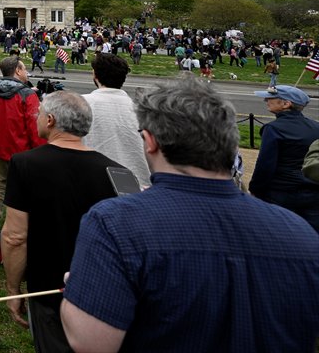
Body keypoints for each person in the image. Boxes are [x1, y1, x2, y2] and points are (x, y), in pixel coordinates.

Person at [60, 78, 319, 352]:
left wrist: (78, 292)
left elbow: (91, 342)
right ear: (230, 142)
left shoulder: (115, 223)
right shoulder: (301, 233)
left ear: (150, 141)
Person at [2, 92, 120, 352]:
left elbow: (15, 236)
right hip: (100, 288)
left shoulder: (25, 164)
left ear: (51, 120)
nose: (37, 117)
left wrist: (13, 289)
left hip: (47, 289)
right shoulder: (116, 171)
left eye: (40, 112)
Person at [0, 56, 44, 223]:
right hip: (24, 152)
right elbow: (35, 126)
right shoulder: (27, 94)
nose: (26, 72)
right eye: (24, 69)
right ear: (17, 70)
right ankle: (21, 221)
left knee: (0, 182)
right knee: (26, 188)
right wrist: (40, 150)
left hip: (0, 147)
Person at [248, 83, 319, 232]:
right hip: (312, 191)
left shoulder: (274, 129)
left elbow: (265, 166)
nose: (266, 100)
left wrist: (255, 189)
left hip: (280, 193)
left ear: (286, 104)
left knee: (278, 234)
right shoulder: (315, 127)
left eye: (271, 98)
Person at [82, 52, 151, 189]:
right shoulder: (142, 111)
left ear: (95, 75)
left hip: (90, 183)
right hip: (136, 185)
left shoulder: (79, 104)